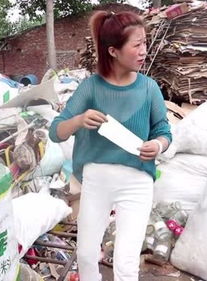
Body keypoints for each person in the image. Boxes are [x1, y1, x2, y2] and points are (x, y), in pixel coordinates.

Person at [49, 10, 172, 281]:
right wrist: (79, 120)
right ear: (114, 51)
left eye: (145, 42)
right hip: (96, 180)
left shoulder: (149, 88)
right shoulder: (91, 88)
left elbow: (163, 130)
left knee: (126, 262)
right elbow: (56, 131)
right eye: (136, 44)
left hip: (137, 181)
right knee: (85, 255)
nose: (144, 51)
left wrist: (158, 145)